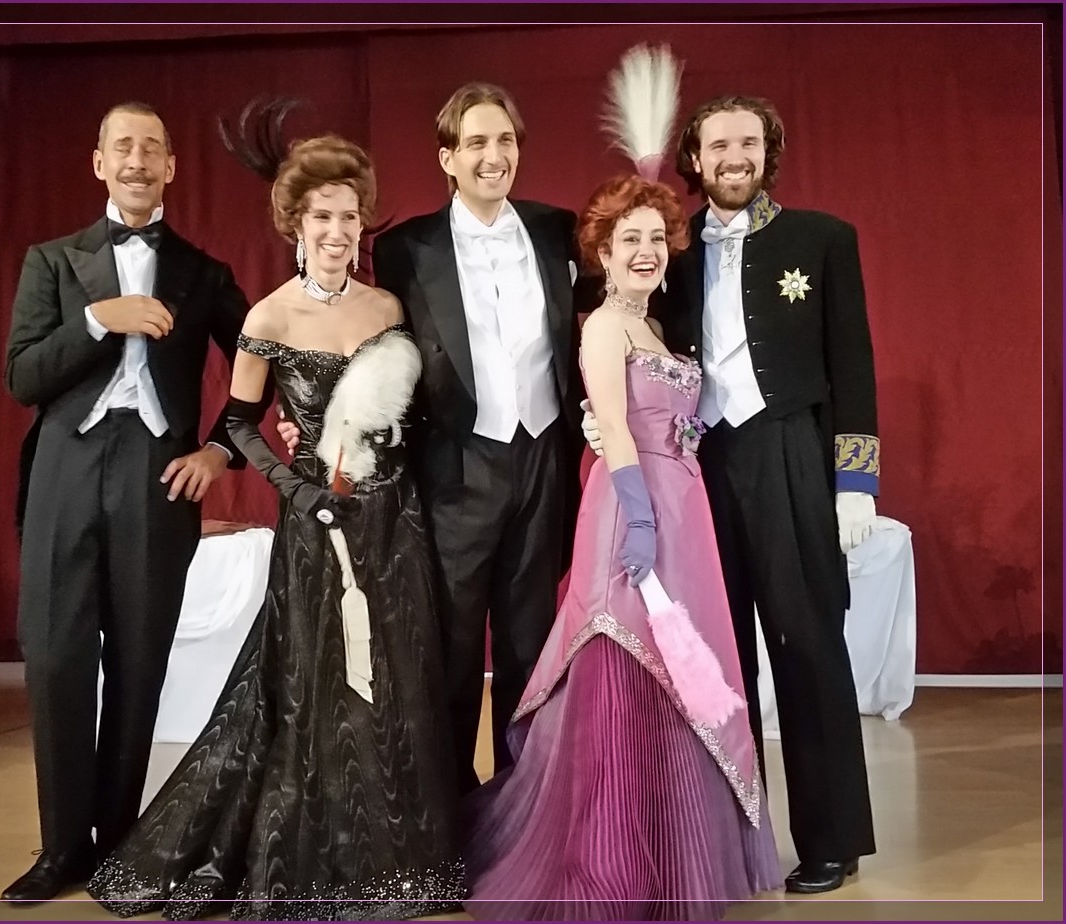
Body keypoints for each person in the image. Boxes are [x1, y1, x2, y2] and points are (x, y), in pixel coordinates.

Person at [87, 117, 465, 921]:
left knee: (398, 679)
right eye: (322, 215)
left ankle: (400, 860)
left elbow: (406, 409)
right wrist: (297, 488)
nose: (337, 231)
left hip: (394, 519)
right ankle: (325, 852)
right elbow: (236, 424)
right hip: (316, 523)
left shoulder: (387, 306)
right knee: (317, 687)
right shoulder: (268, 317)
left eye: (349, 216)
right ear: (297, 223)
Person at [462, 172, 783, 921]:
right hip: (633, 508)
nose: (645, 250)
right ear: (602, 253)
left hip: (682, 509)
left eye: (655, 239)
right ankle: (610, 857)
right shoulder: (605, 325)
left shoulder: (656, 328)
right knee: (628, 658)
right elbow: (611, 423)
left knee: (680, 669)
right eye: (628, 239)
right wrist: (640, 517)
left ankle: (670, 847)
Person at [583, 94, 879, 894]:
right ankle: (729, 843)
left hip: (790, 457)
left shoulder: (823, 239)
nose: (734, 157)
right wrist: (597, 413)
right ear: (697, 158)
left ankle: (831, 839)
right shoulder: (671, 249)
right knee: (717, 661)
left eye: (748, 142)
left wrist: (856, 481)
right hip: (698, 466)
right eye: (719, 145)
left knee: (809, 646)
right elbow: (625, 334)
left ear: (768, 151)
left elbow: (853, 365)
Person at [279, 83, 587, 796]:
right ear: (447, 158)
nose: (493, 155)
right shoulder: (405, 249)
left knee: (530, 647)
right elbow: (362, 334)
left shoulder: (555, 230)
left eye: (504, 140)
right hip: (453, 470)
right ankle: (447, 817)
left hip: (543, 460)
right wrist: (314, 416)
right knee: (448, 653)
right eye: (476, 142)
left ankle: (519, 809)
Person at [1, 101, 252, 904]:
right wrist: (96, 320)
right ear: (100, 163)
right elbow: (22, 377)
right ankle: (60, 849)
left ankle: (118, 845)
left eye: (152, 149)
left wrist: (218, 451)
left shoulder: (203, 272)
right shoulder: (52, 262)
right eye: (123, 147)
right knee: (57, 659)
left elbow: (264, 362)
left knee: (139, 663)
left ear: (172, 167)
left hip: (157, 477)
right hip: (64, 473)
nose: (137, 161)